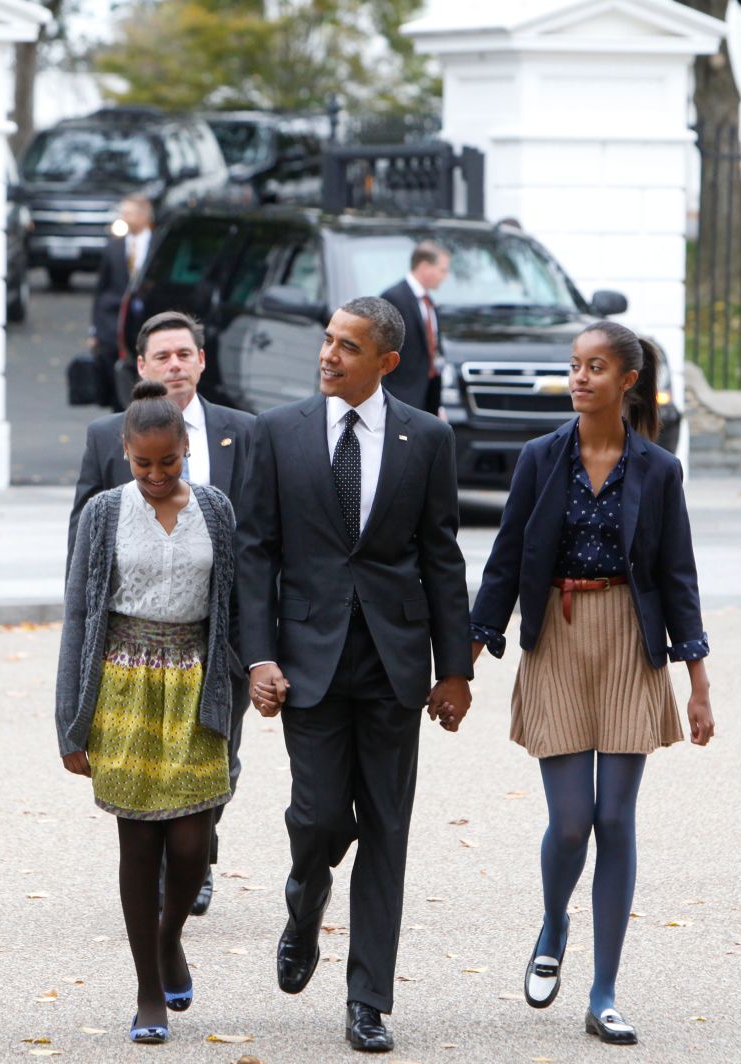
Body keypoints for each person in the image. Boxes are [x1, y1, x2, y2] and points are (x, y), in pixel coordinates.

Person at [237, 296, 473, 1053]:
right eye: (328, 341)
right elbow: (255, 554)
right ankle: (305, 901)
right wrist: (261, 655)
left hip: (393, 663)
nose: (329, 355)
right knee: (317, 819)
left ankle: (368, 998)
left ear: (387, 362)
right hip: (307, 661)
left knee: (387, 830)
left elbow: (440, 554)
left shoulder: (427, 438)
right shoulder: (279, 433)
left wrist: (455, 667)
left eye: (348, 346)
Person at [470, 320, 714, 1046]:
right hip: (559, 639)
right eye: (575, 366)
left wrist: (697, 682)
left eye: (595, 367)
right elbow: (508, 558)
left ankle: (604, 992)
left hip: (630, 643)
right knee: (573, 820)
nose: (579, 378)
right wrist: (467, 659)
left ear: (626, 381)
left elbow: (678, 578)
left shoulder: (658, 470)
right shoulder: (541, 458)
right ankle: (553, 922)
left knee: (616, 820)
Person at [56, 380, 236, 1044]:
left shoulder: (216, 509)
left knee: (193, 844)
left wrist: (252, 680)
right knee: (139, 842)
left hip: (195, 685)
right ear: (126, 455)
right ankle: (146, 989)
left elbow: (232, 610)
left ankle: (169, 938)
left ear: (187, 447)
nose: (157, 475)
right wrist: (69, 723)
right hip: (124, 687)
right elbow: (79, 618)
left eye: (169, 461)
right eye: (143, 464)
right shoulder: (103, 514)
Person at [68, 309, 255, 916]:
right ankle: (170, 881)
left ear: (202, 360)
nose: (175, 364)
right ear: (143, 367)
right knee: (143, 787)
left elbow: (258, 548)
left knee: (213, 770)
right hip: (131, 651)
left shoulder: (243, 432)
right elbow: (85, 555)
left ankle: (195, 855)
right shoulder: (104, 439)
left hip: (211, 645)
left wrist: (259, 649)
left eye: (185, 353)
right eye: (162, 356)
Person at [90, 195, 154, 411]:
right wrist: (95, 331)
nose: (123, 218)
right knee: (117, 376)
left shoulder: (157, 245)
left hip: (144, 320)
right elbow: (101, 289)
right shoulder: (113, 248)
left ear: (143, 216)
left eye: (128, 213)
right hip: (112, 323)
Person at [381, 241, 450, 415]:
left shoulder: (429, 302)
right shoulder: (394, 298)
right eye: (442, 270)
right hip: (402, 397)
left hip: (427, 398)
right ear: (425, 266)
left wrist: (437, 404)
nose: (445, 276)